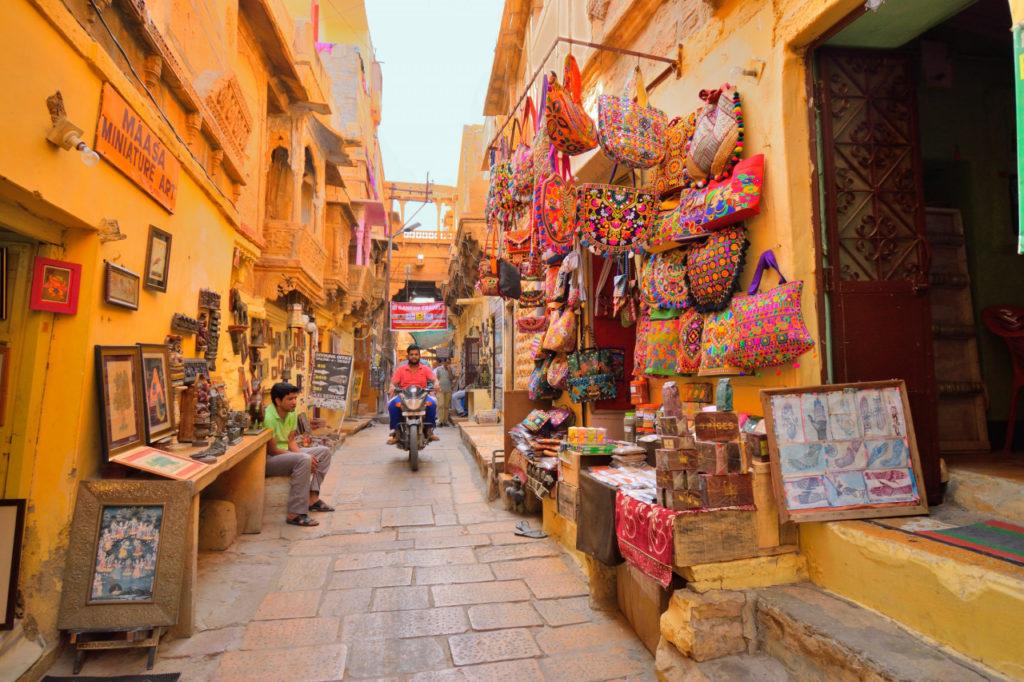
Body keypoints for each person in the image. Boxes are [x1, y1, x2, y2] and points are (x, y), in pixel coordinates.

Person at [263, 382, 335, 527]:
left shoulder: (291, 413)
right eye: (290, 399)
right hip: (269, 459)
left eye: (295, 398)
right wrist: (304, 459)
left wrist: (307, 458)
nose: (294, 402)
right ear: (278, 401)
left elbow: (291, 441)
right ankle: (295, 513)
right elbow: (272, 450)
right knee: (303, 459)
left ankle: (312, 499)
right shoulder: (268, 417)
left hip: (285, 453)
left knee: (324, 452)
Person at [387, 344, 439, 444]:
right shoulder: (401, 370)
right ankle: (397, 431)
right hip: (404, 396)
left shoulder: (425, 369)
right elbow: (393, 382)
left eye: (416, 354)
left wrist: (436, 383)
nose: (414, 356)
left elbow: (434, 379)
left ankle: (429, 430)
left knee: (432, 403)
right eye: (411, 354)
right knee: (392, 405)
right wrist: (392, 387)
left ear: (419, 356)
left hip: (422, 396)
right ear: (408, 356)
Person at [434, 358, 453, 427]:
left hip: (448, 389)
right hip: (440, 390)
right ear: (443, 362)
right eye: (446, 363)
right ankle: (440, 421)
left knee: (446, 406)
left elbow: (451, 378)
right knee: (441, 405)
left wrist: (449, 371)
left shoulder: (451, 369)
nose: (448, 364)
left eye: (449, 363)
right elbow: (436, 379)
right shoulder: (439, 369)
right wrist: (436, 388)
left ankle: (445, 421)